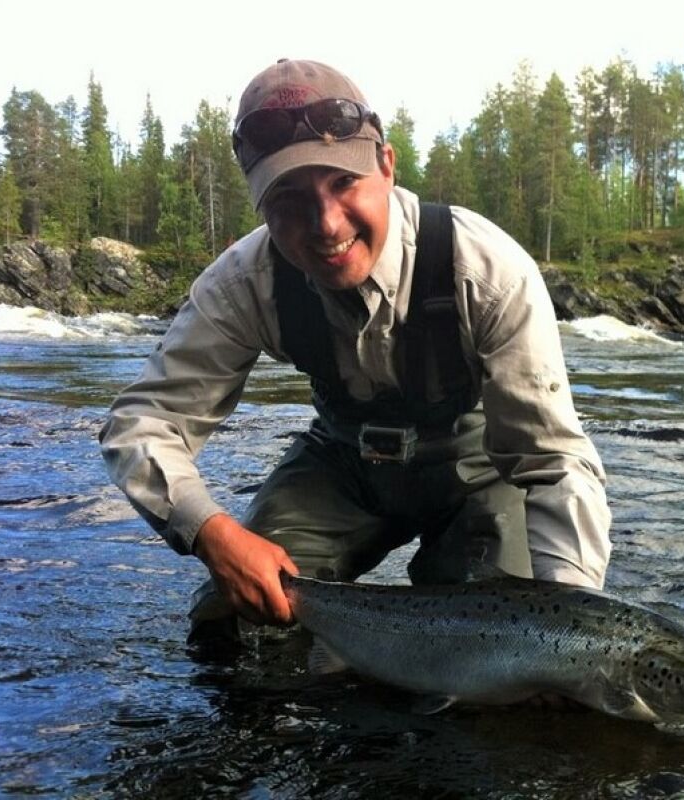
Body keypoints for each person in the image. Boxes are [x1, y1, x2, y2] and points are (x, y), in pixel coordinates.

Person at [99, 58, 611, 643]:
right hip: (341, 465)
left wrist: (574, 631)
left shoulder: (487, 272)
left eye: (344, 182)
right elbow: (143, 422)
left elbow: (554, 463)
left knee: (501, 643)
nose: (325, 223)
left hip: (478, 472)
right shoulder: (244, 283)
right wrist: (211, 533)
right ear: (259, 204)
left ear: (386, 166)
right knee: (237, 629)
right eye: (289, 197)